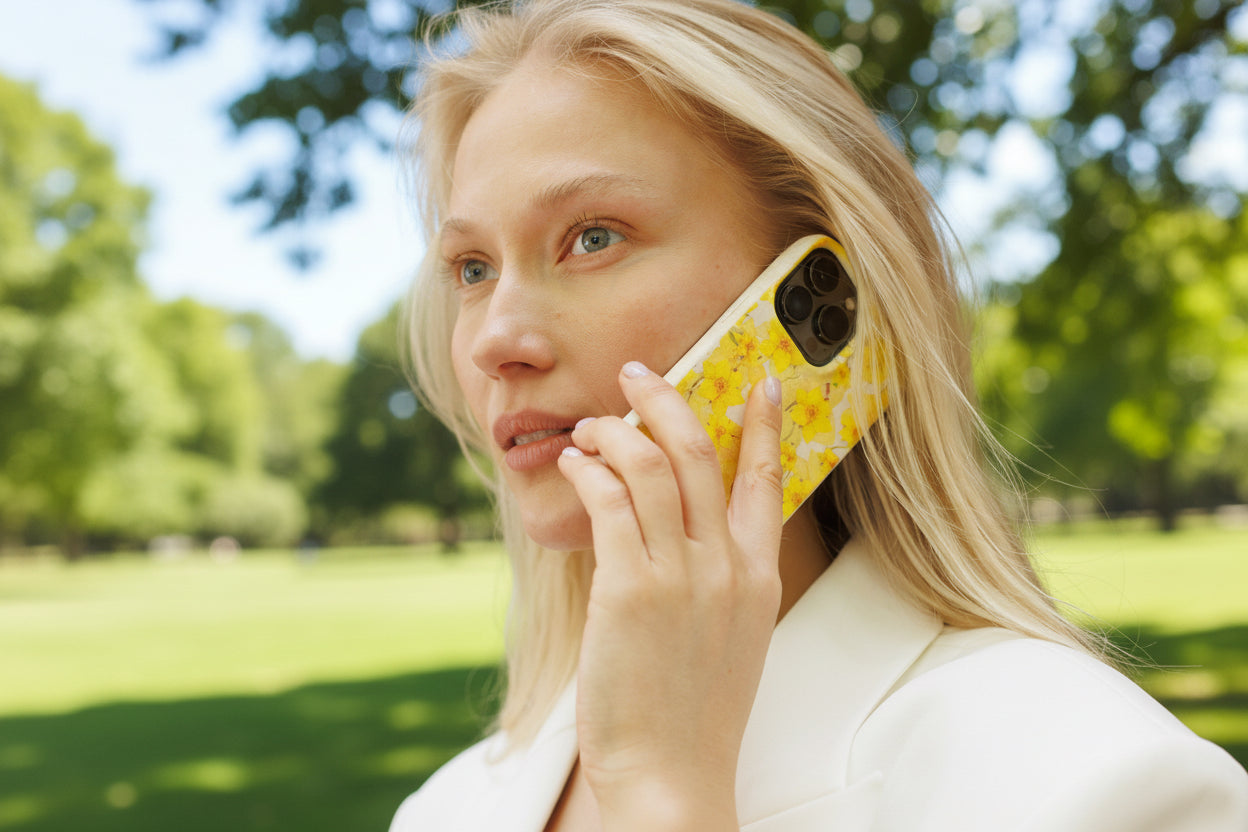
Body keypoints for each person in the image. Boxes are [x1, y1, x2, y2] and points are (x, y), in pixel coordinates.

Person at [390, 0, 1248, 829]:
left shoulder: (1101, 787)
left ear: (823, 287)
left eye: (593, 237)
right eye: (472, 268)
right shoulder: (449, 808)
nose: (494, 338)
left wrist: (663, 796)